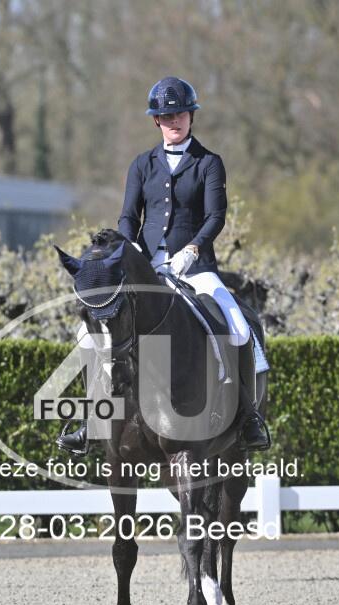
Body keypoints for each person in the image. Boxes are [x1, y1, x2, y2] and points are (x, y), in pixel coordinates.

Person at [58, 76, 270, 455]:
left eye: (180, 114)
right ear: (156, 120)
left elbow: (215, 216)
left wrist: (193, 248)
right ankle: (92, 419)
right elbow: (128, 216)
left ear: (191, 116)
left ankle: (247, 414)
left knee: (238, 326)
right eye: (167, 116)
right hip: (146, 269)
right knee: (89, 334)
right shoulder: (142, 164)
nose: (174, 121)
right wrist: (129, 250)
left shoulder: (209, 163)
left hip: (195, 266)